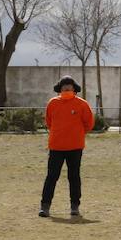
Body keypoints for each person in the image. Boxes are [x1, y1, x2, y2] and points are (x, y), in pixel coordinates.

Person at [40, 75, 95, 218]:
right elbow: (49, 122)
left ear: (74, 89)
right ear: (59, 89)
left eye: (69, 85)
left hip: (75, 147)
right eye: (64, 86)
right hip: (56, 146)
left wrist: (76, 134)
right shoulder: (52, 103)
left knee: (74, 177)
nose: (66, 88)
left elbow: (89, 123)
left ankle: (74, 207)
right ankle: (45, 206)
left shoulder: (82, 104)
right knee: (52, 177)